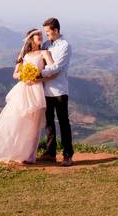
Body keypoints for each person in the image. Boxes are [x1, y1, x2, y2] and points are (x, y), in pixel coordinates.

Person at [0, 28, 53, 163]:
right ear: (31, 39)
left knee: (34, 125)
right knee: (16, 121)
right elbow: (15, 74)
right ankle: (14, 151)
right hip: (23, 90)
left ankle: (31, 156)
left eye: (41, 35)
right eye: (37, 35)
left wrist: (38, 78)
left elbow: (51, 71)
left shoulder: (45, 53)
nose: (40, 37)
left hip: (37, 90)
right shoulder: (24, 55)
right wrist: (23, 75)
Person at [39, 17, 73, 166]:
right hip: (46, 90)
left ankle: (67, 155)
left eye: (48, 32)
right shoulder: (46, 45)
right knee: (49, 124)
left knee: (64, 123)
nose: (47, 35)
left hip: (59, 91)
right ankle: (50, 153)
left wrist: (38, 73)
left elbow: (57, 68)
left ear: (56, 30)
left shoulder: (65, 46)